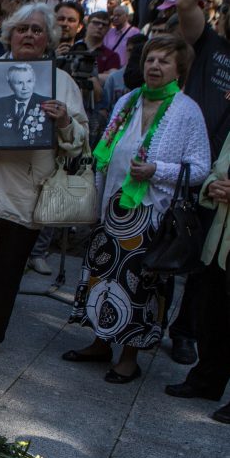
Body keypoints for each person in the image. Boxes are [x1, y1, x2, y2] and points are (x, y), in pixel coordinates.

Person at [0, 3, 89, 356]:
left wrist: (65, 121)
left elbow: (81, 140)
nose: (29, 35)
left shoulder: (61, 83)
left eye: (37, 30)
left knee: (9, 268)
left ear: (48, 39)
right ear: (9, 34)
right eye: (23, 28)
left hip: (26, 187)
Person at [66, 36, 210, 382]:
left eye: (163, 61)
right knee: (103, 276)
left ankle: (129, 357)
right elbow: (105, 151)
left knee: (137, 286)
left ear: (179, 70)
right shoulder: (129, 99)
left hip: (151, 214)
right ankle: (101, 342)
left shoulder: (187, 110)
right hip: (112, 208)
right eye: (150, 60)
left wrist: (156, 170)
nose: (154, 67)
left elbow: (200, 167)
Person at [167, 0, 230, 367]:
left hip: (223, 178)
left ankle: (186, 331)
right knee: (172, 242)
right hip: (188, 160)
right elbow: (186, 4)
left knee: (207, 267)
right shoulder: (212, 46)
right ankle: (149, 323)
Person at [165, 130, 230, 423]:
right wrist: (212, 187)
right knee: (211, 312)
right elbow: (216, 170)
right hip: (219, 240)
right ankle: (206, 380)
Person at [0, 63, 53, 148]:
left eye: (29, 81)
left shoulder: (47, 102)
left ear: (34, 82)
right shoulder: (0, 104)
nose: (25, 87)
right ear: (10, 85)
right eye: (19, 83)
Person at [104, 5, 140, 69]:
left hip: (124, 68)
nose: (115, 18)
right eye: (114, 15)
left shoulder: (135, 32)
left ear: (126, 16)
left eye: (118, 15)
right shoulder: (109, 32)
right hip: (108, 67)